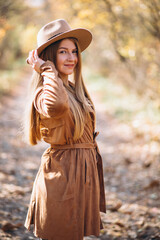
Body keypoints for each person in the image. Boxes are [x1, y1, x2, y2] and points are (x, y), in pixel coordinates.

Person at [24, 19, 106, 240]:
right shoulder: (44, 92)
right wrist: (46, 69)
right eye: (63, 52)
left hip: (82, 175)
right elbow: (56, 106)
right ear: (50, 55)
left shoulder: (72, 89)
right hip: (62, 179)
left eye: (74, 51)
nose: (72, 58)